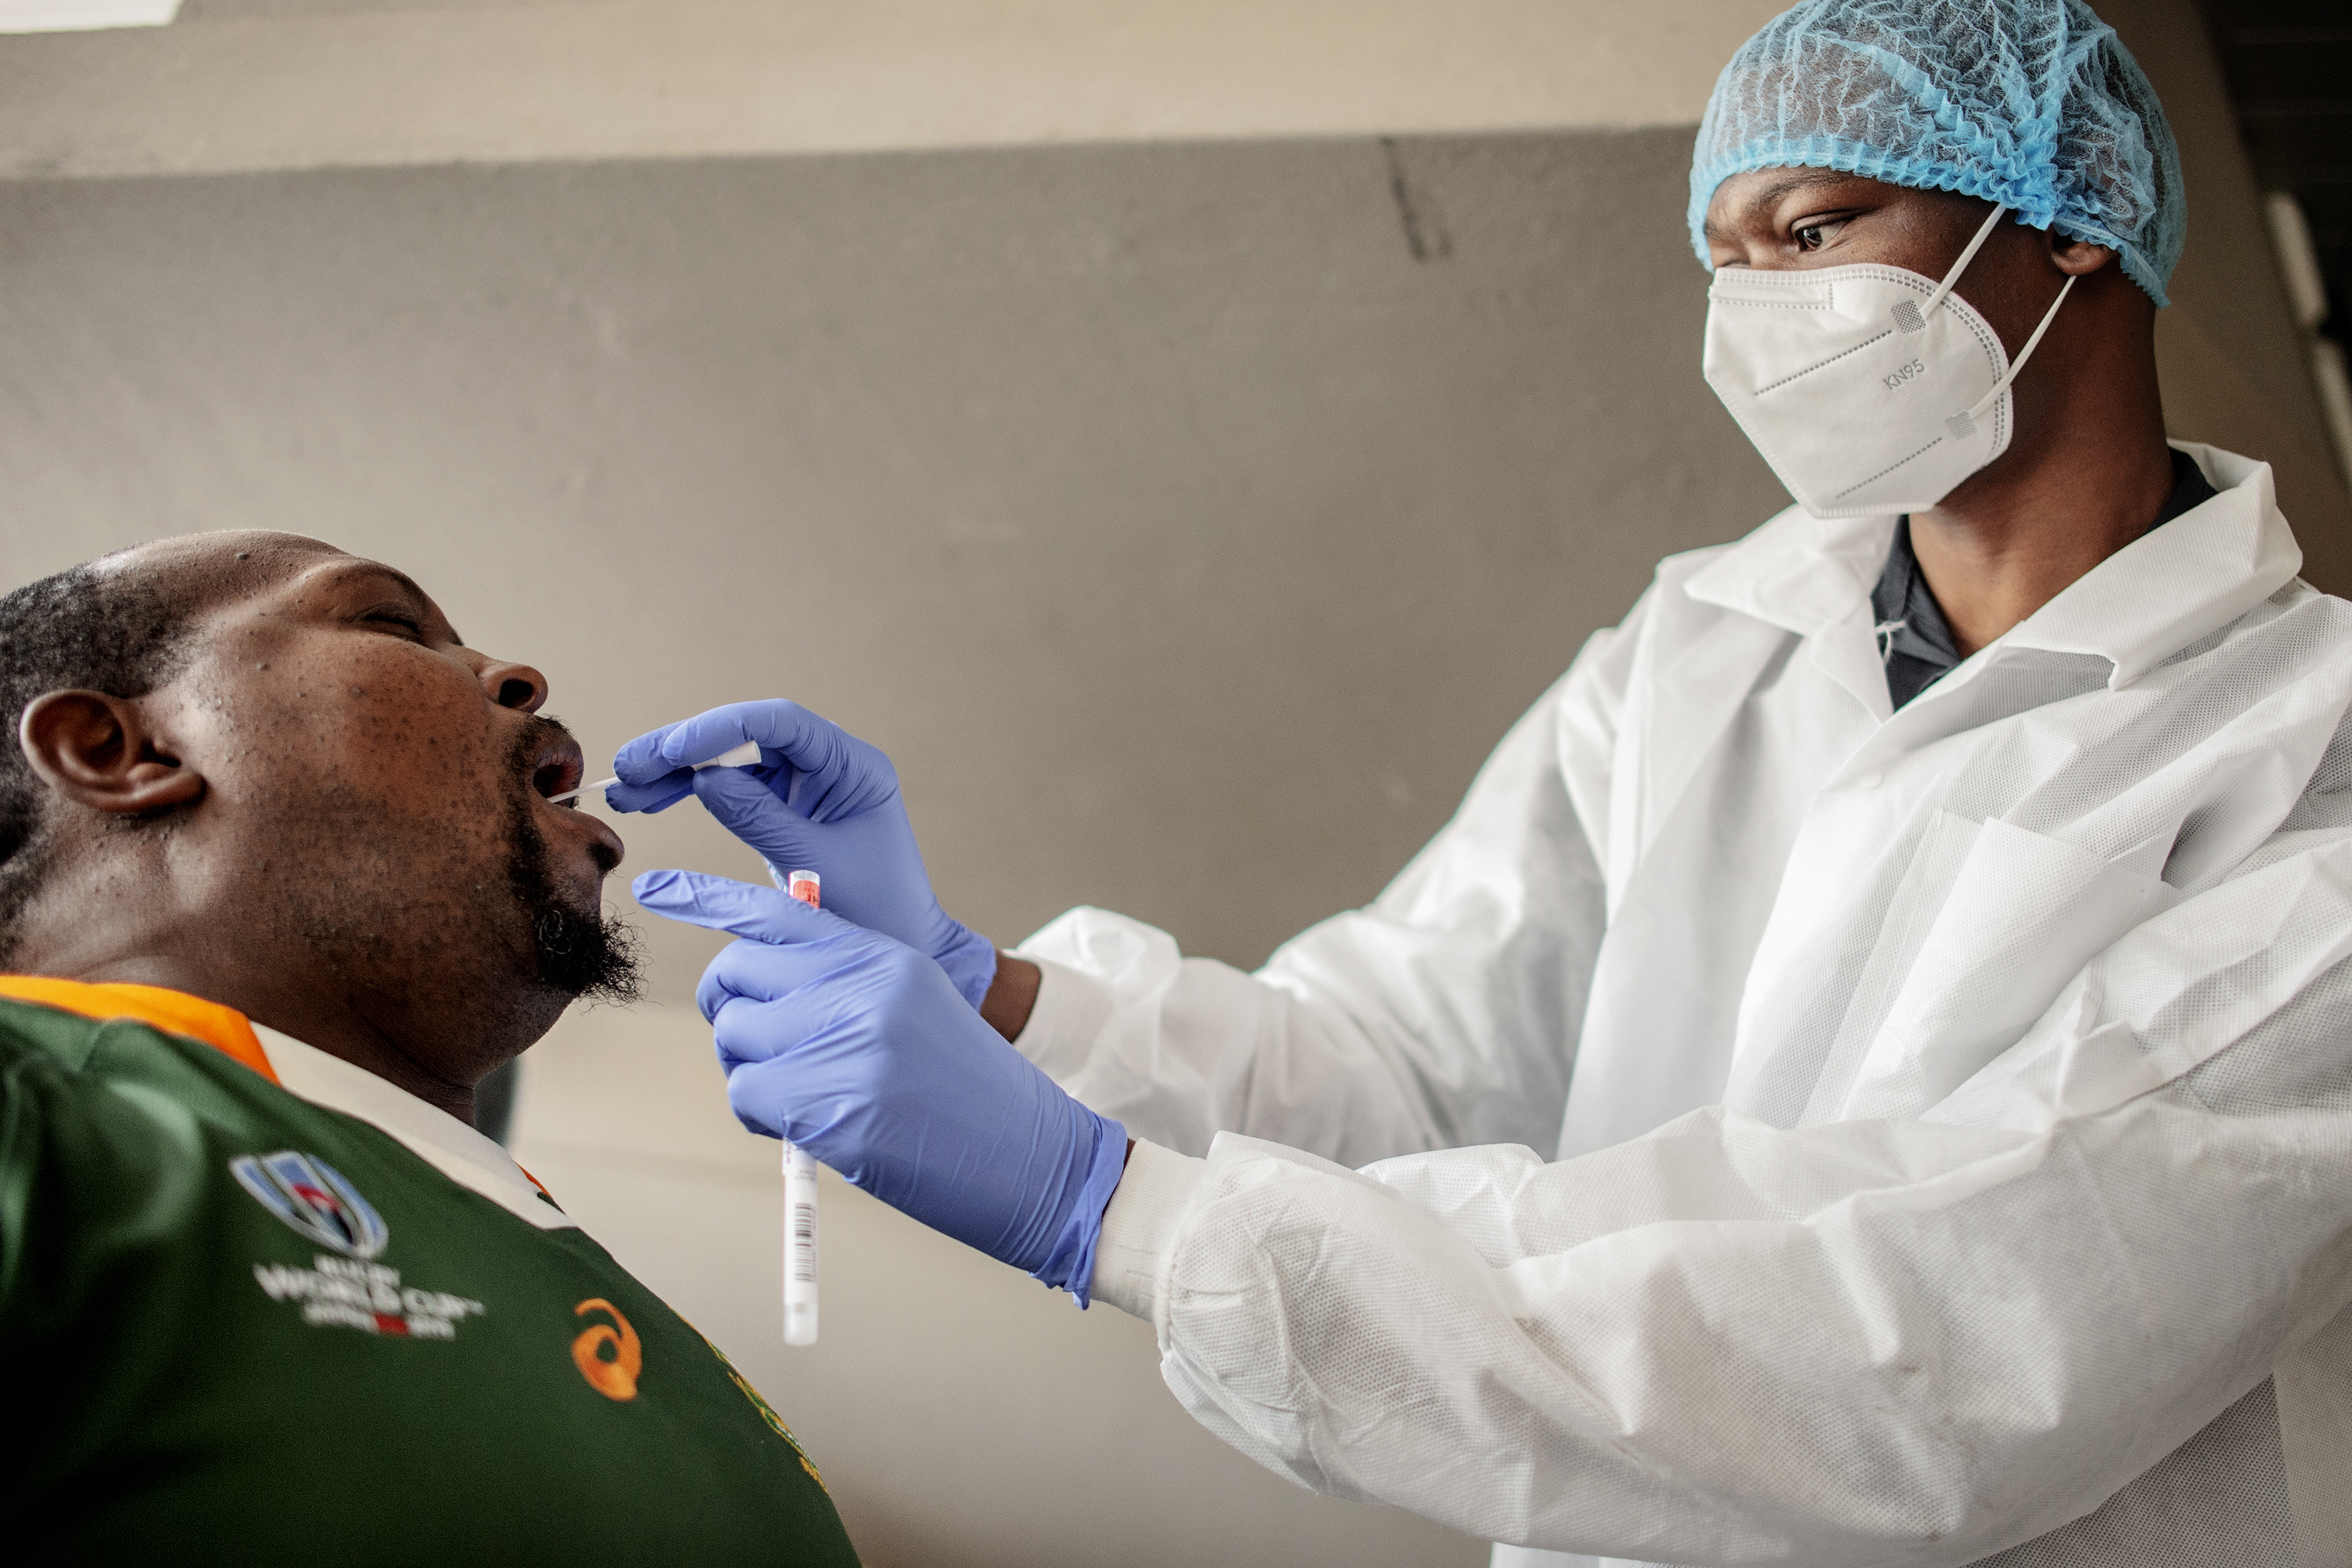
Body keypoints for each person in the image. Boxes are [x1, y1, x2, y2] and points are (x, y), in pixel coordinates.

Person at [617, 1, 2352, 1563]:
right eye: (1727, 263)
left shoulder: (2305, 755)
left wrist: (1108, 1205)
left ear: (2072, 223)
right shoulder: (1704, 643)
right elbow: (1410, 1059)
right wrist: (989, 991)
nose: (1761, 315)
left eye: (1817, 232)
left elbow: (1946, 1346)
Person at [0, 533, 858, 1565]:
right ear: (119, 751)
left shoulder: (645, 1325)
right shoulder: (32, 1109)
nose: (522, 675)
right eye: (391, 623)